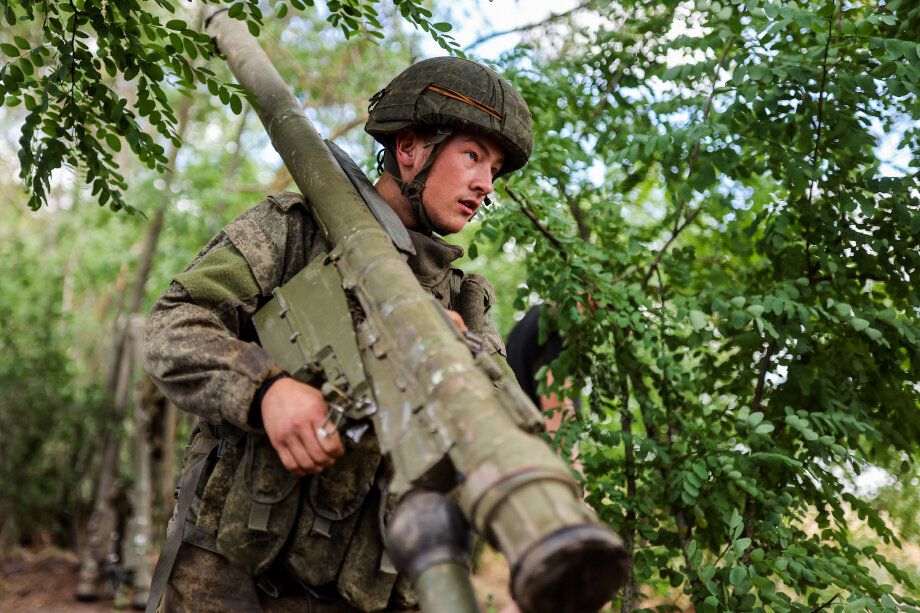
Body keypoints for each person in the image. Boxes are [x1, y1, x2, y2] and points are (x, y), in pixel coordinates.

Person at [144, 56, 533, 612]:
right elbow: (171, 327)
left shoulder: (463, 302)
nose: (484, 184)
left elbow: (493, 438)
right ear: (410, 149)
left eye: (494, 169)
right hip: (233, 579)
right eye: (472, 155)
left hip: (368, 592)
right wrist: (266, 390)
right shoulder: (294, 231)